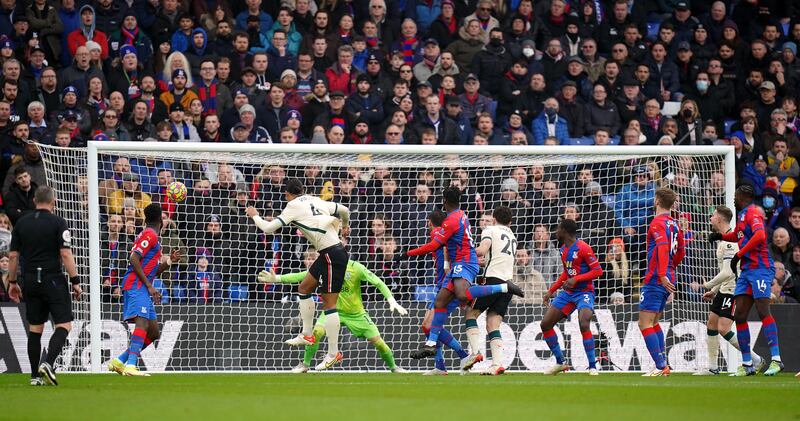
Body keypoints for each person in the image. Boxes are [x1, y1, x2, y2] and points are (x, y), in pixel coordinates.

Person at [394, 186, 524, 361]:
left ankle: (503, 286)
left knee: (463, 295)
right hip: (460, 263)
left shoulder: (450, 221)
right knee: (440, 300)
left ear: (444, 201)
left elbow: (434, 246)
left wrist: (406, 254)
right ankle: (431, 345)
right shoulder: (461, 214)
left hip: (465, 262)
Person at [245, 178, 350, 371]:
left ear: (287, 194)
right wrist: (344, 226)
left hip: (331, 254)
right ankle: (307, 333)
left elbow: (268, 228)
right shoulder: (316, 200)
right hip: (329, 252)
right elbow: (344, 210)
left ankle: (333, 354)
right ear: (303, 190)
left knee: (329, 304)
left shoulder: (292, 205)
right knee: (304, 288)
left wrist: (254, 215)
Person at [259, 249, 407, 373]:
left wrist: (391, 300)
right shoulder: (325, 268)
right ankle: (304, 365)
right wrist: (277, 278)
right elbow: (301, 276)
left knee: (379, 343)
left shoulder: (356, 267)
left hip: (356, 314)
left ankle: (394, 367)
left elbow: (378, 282)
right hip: (331, 311)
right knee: (315, 333)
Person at [6, 186, 81, 386]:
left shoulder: (21, 223)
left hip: (30, 280)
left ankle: (34, 377)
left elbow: (13, 256)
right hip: (53, 278)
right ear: (53, 201)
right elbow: (65, 254)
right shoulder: (58, 222)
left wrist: (12, 282)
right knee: (64, 324)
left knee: (35, 329)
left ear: (34, 201)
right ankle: (47, 363)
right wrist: (75, 281)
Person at [708, 184, 784, 377]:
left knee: (762, 310)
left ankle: (776, 359)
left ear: (743, 196)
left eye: (735, 195)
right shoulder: (742, 216)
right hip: (747, 271)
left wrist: (739, 254)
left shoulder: (752, 213)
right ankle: (748, 364)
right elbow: (738, 236)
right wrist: (721, 236)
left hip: (760, 269)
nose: (733, 198)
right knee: (740, 315)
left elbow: (760, 235)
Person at [107, 204, 180, 377]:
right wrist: (148, 285)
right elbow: (133, 258)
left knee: (153, 332)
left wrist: (169, 261)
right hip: (136, 285)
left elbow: (150, 269)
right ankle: (131, 366)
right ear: (161, 220)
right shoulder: (150, 235)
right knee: (142, 324)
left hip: (142, 285)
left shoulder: (151, 236)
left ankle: (119, 361)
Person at [696, 206, 764, 376]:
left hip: (734, 289)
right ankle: (712, 367)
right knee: (711, 323)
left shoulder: (729, 243)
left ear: (719, 219)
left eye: (712, 216)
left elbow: (727, 272)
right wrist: (714, 290)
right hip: (725, 288)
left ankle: (755, 359)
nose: (710, 218)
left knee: (723, 328)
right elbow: (727, 270)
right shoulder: (725, 240)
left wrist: (706, 286)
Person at [540, 218, 603, 376]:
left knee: (584, 322)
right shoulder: (563, 249)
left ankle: (592, 366)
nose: (556, 231)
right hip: (568, 294)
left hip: (584, 293)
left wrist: (577, 279)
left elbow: (598, 271)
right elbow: (566, 274)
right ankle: (560, 363)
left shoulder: (584, 248)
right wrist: (551, 290)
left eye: (558, 228)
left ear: (565, 232)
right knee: (545, 324)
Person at [413, 209, 470, 376]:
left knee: (428, 325)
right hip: (444, 285)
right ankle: (440, 366)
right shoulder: (448, 235)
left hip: (448, 286)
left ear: (430, 222)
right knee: (427, 326)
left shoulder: (438, 232)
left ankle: (463, 356)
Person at [638, 188, 686, 377]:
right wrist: (670, 270)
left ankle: (660, 366)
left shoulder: (657, 223)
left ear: (657, 201)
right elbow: (681, 250)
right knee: (655, 321)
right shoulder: (674, 224)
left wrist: (662, 273)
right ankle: (662, 364)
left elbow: (663, 248)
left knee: (644, 323)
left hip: (657, 278)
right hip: (668, 275)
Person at [471, 205, 517, 375]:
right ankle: (497, 364)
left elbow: (482, 251)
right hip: (508, 284)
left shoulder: (490, 230)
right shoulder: (512, 236)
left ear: (494, 219)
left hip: (493, 281)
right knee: (492, 323)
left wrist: (462, 254)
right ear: (510, 222)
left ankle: (474, 354)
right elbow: (493, 258)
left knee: (470, 313)